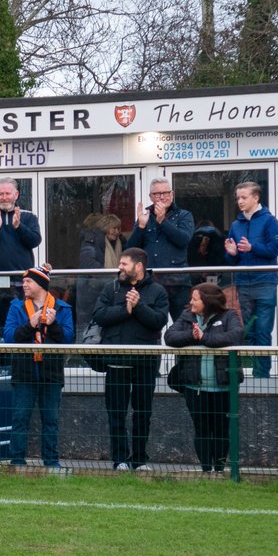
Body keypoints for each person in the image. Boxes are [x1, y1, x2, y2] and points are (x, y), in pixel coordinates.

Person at [92, 248, 169, 471]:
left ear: (138, 266)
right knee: (116, 413)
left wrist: (139, 306)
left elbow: (158, 321)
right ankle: (120, 459)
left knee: (143, 413)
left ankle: (140, 459)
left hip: (145, 362)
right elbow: (99, 316)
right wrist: (125, 310)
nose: (120, 268)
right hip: (116, 361)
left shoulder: (157, 291)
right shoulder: (112, 288)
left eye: (124, 264)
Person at [165, 282, 244, 474]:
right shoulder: (187, 317)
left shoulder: (229, 316)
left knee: (221, 430)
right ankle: (206, 470)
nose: (190, 302)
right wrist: (193, 337)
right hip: (195, 387)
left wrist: (204, 339)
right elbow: (170, 337)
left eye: (195, 298)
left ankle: (219, 468)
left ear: (207, 301)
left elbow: (236, 335)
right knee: (201, 429)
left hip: (223, 387)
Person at [3, 264, 73, 468]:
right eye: (23, 281)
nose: (23, 284)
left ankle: (51, 462)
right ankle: (17, 462)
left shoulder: (62, 308)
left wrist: (54, 326)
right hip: (24, 371)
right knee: (20, 418)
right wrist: (29, 326)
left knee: (51, 420)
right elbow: (8, 338)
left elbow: (68, 339)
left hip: (51, 372)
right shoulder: (16, 307)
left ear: (41, 285)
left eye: (28, 281)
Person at [224, 181, 278, 378]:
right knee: (249, 330)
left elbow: (275, 250)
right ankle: (253, 372)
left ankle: (262, 375)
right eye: (238, 198)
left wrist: (252, 248)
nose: (239, 201)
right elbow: (232, 260)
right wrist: (231, 253)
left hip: (265, 282)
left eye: (244, 197)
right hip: (244, 283)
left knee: (263, 331)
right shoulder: (236, 224)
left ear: (255, 198)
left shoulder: (269, 221)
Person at [0, 178, 42, 336]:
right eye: (1, 194)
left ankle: (19, 360)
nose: (4, 197)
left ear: (16, 194)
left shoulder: (28, 216)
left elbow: (35, 240)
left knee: (23, 324)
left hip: (21, 284)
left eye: (7, 193)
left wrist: (19, 227)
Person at [127, 178, 195, 319]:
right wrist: (140, 227)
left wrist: (162, 220)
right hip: (151, 282)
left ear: (172, 194)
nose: (162, 197)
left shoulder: (184, 215)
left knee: (183, 326)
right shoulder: (144, 217)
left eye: (166, 192)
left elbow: (183, 240)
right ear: (151, 197)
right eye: (157, 194)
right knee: (150, 325)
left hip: (178, 283)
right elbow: (131, 250)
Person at [188, 220, 229, 285]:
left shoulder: (218, 245)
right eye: (201, 238)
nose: (205, 240)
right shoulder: (192, 247)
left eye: (209, 238)